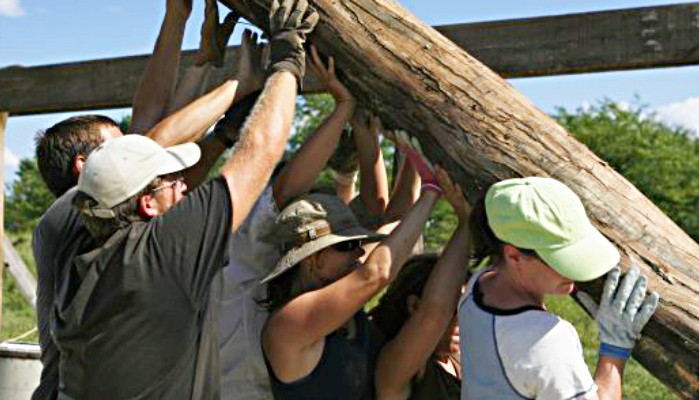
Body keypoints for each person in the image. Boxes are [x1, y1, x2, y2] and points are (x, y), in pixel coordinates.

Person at [50, 0, 318, 397]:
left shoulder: (83, 241)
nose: (184, 186)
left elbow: (143, 152)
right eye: (171, 182)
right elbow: (259, 151)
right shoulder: (163, 253)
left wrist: (221, 118)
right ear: (146, 205)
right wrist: (287, 61)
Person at [30, 1, 246, 398]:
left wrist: (200, 57)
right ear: (85, 165)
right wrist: (239, 84)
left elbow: (161, 150)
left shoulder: (99, 214)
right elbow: (154, 131)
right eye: (119, 146)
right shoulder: (69, 214)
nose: (131, 150)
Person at [216, 44, 361, 400]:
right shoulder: (247, 245)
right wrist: (343, 108)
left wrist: (346, 176)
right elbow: (288, 189)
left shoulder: (267, 257)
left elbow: (331, 234)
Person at [259, 149, 449, 400]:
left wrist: (413, 154)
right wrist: (432, 190)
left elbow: (399, 227)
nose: (359, 251)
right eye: (347, 245)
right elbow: (377, 272)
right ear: (313, 259)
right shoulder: (286, 326)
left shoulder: (341, 276)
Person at [459, 176, 660, 400]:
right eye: (559, 261)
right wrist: (616, 347)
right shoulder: (546, 339)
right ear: (514, 255)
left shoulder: (477, 286)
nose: (573, 271)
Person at [372, 168, 471, 400]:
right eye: (453, 308)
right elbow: (433, 314)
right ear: (415, 306)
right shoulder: (394, 370)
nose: (461, 318)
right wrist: (467, 222)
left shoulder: (460, 362)